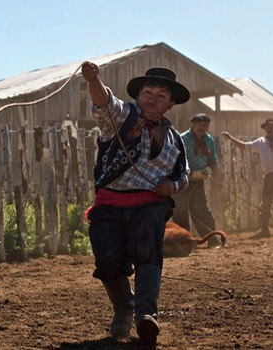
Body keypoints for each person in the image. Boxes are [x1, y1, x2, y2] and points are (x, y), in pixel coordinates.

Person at [81, 62, 190, 345]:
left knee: (147, 254)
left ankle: (145, 314)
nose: (152, 98)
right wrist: (94, 80)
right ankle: (124, 306)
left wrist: (172, 186)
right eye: (147, 92)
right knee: (107, 260)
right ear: (139, 95)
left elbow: (183, 175)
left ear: (171, 103)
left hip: (149, 205)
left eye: (160, 95)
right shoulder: (122, 118)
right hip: (109, 203)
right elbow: (105, 102)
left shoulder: (175, 140)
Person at [222, 118, 273, 237]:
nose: (270, 129)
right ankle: (265, 229)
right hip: (269, 176)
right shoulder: (261, 142)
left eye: (272, 127)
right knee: (265, 203)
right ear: (265, 129)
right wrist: (231, 138)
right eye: (268, 127)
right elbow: (245, 146)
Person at [172, 113, 220, 247]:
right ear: (192, 125)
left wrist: (209, 169)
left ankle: (212, 239)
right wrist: (191, 173)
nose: (202, 127)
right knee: (180, 210)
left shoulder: (209, 140)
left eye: (205, 124)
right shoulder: (182, 139)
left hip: (198, 181)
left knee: (201, 210)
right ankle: (184, 242)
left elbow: (213, 159)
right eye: (199, 124)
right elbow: (176, 160)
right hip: (182, 180)